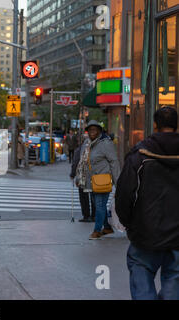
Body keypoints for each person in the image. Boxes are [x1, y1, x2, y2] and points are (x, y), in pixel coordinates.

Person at [115, 106, 179, 300]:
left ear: (155, 125)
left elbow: (125, 193)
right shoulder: (140, 154)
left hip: (146, 231)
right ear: (176, 126)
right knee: (174, 281)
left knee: (141, 273)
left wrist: (128, 223)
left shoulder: (140, 154)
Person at [76, 120, 120, 240]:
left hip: (103, 179)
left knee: (100, 205)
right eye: (90, 130)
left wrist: (118, 182)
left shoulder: (106, 143)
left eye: (94, 130)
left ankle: (97, 230)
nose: (92, 132)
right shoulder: (87, 143)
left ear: (100, 131)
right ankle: (107, 227)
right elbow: (82, 163)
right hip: (90, 181)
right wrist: (78, 177)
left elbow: (114, 162)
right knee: (98, 205)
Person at [70, 134, 95, 222]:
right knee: (93, 196)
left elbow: (76, 161)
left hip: (83, 176)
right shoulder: (96, 147)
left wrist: (72, 174)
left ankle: (86, 215)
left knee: (83, 197)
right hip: (94, 177)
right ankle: (94, 216)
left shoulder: (81, 149)